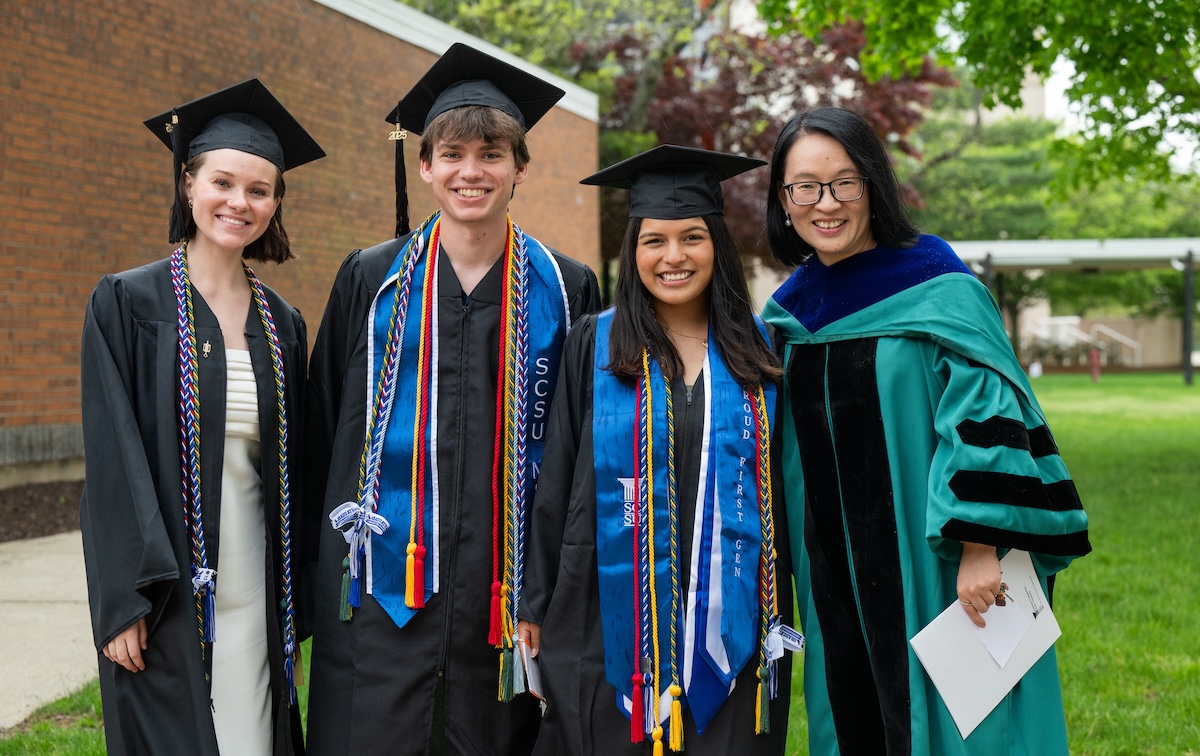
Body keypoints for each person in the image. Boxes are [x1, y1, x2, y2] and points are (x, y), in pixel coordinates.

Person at [761, 106, 1093, 754]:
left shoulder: (938, 287)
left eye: (844, 182)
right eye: (805, 186)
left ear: (873, 185)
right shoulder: (791, 311)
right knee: (853, 710)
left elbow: (988, 413)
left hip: (934, 559)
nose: (824, 203)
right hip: (833, 567)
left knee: (957, 719)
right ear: (784, 198)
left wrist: (980, 548)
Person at [303, 43, 602, 755]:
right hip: (381, 585)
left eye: (493, 154)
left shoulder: (566, 289)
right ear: (426, 165)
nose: (473, 171)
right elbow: (323, 423)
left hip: (509, 587)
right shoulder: (370, 279)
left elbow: (584, 443)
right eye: (455, 153)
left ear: (520, 168)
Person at [516, 145, 795, 755]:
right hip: (603, 606)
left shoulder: (765, 350)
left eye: (692, 237)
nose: (673, 257)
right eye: (654, 240)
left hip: (735, 614)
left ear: (718, 246)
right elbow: (555, 472)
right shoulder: (596, 341)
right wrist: (532, 600)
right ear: (632, 251)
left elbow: (789, 489)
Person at [79, 79, 325, 755]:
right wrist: (123, 601)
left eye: (259, 190)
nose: (239, 203)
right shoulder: (127, 304)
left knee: (251, 735)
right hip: (166, 589)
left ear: (275, 205)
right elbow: (111, 461)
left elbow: (299, 467)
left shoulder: (283, 322)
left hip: (257, 579)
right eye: (223, 181)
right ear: (188, 185)